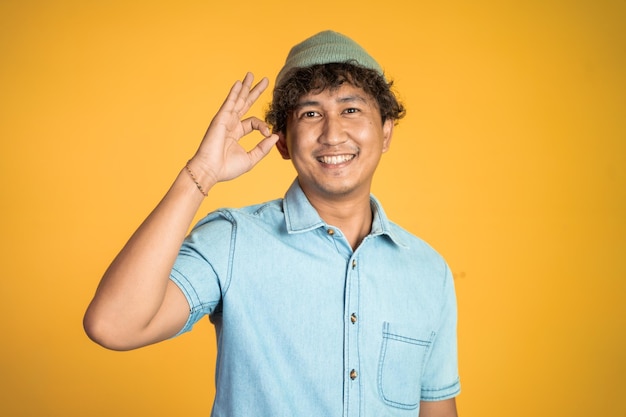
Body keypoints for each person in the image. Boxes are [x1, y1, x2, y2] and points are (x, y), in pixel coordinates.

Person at [84, 30, 461, 417]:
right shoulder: (231, 240)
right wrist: (201, 173)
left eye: (351, 109)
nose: (333, 134)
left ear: (385, 133)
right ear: (282, 142)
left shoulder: (429, 271)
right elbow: (113, 325)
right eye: (310, 113)